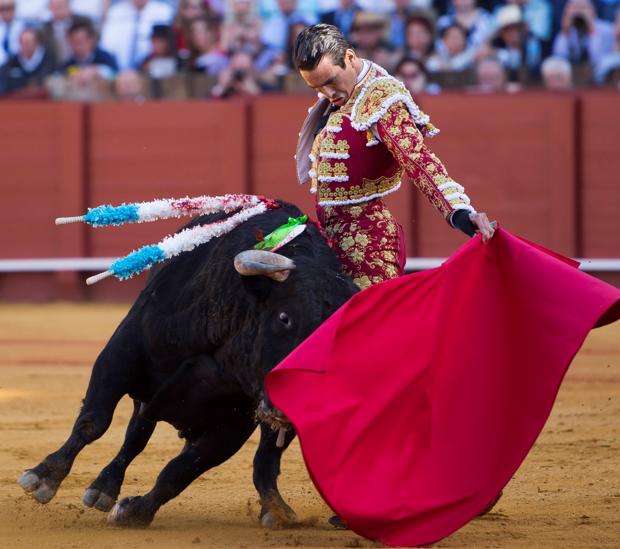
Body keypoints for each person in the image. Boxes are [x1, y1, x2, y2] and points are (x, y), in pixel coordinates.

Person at [293, 23, 495, 290]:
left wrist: (460, 212)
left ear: (350, 58)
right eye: (316, 87)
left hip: (368, 248)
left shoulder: (381, 99)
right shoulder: (345, 95)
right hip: (332, 243)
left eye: (330, 81)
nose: (328, 94)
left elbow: (418, 160)